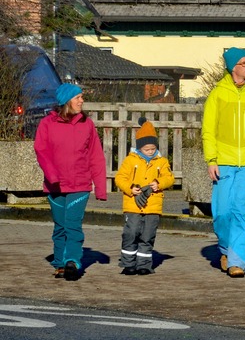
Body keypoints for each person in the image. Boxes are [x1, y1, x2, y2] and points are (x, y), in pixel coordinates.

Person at [202, 47, 245, 278]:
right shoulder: (217, 94)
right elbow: (208, 130)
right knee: (222, 212)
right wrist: (211, 160)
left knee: (242, 211)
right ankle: (225, 248)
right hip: (223, 161)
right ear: (233, 67)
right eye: (244, 63)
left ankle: (237, 261)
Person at [33, 83, 107, 280]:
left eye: (82, 97)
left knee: (73, 225)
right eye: (78, 98)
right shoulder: (47, 124)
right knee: (60, 226)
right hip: (55, 185)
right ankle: (59, 263)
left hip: (80, 184)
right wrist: (52, 176)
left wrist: (100, 188)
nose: (82, 101)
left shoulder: (87, 124)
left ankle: (72, 261)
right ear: (66, 101)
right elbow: (41, 150)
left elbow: (96, 156)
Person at [114, 120, 174, 275]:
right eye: (147, 149)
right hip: (133, 204)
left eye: (153, 148)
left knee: (148, 235)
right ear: (139, 147)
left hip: (153, 205)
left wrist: (158, 184)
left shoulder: (161, 161)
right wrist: (130, 188)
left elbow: (169, 178)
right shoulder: (130, 160)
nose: (150, 151)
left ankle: (144, 265)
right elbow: (120, 178)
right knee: (131, 232)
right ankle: (128, 264)